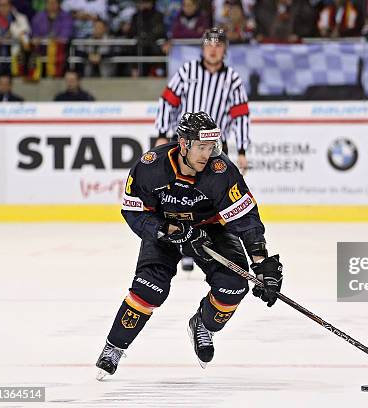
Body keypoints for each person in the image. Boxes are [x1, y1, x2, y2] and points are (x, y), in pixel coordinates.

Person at [95, 111, 283, 379]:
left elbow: (245, 218)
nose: (207, 155)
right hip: (165, 232)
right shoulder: (151, 166)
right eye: (201, 147)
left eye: (211, 147)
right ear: (183, 144)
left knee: (234, 285)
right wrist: (166, 230)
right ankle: (114, 346)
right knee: (150, 288)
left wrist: (261, 262)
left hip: (210, 229)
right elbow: (133, 210)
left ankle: (203, 325)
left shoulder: (221, 171)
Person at [155, 27, 251, 272]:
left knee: (214, 196)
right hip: (185, 146)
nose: (213, 49)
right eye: (209, 44)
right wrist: (162, 134)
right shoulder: (188, 71)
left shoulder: (232, 79)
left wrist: (242, 148)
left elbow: (240, 114)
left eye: (219, 45)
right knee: (180, 192)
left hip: (215, 148)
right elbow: (168, 101)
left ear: (225, 50)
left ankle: (214, 243)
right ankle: (184, 244)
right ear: (203, 47)